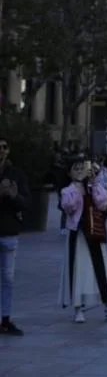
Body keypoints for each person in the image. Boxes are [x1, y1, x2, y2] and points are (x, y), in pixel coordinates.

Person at [59, 159, 107, 323]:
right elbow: (68, 207)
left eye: (83, 168)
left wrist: (93, 184)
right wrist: (78, 189)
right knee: (77, 271)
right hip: (78, 235)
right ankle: (78, 309)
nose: (80, 171)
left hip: (94, 233)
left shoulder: (93, 187)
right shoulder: (68, 190)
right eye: (76, 169)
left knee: (101, 270)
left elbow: (103, 203)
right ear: (69, 173)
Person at [0, 138, 29, 335]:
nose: (0, 151)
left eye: (4, 147)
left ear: (8, 150)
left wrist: (13, 195)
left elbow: (26, 202)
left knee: (8, 278)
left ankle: (5, 318)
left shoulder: (16, 174)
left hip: (9, 232)